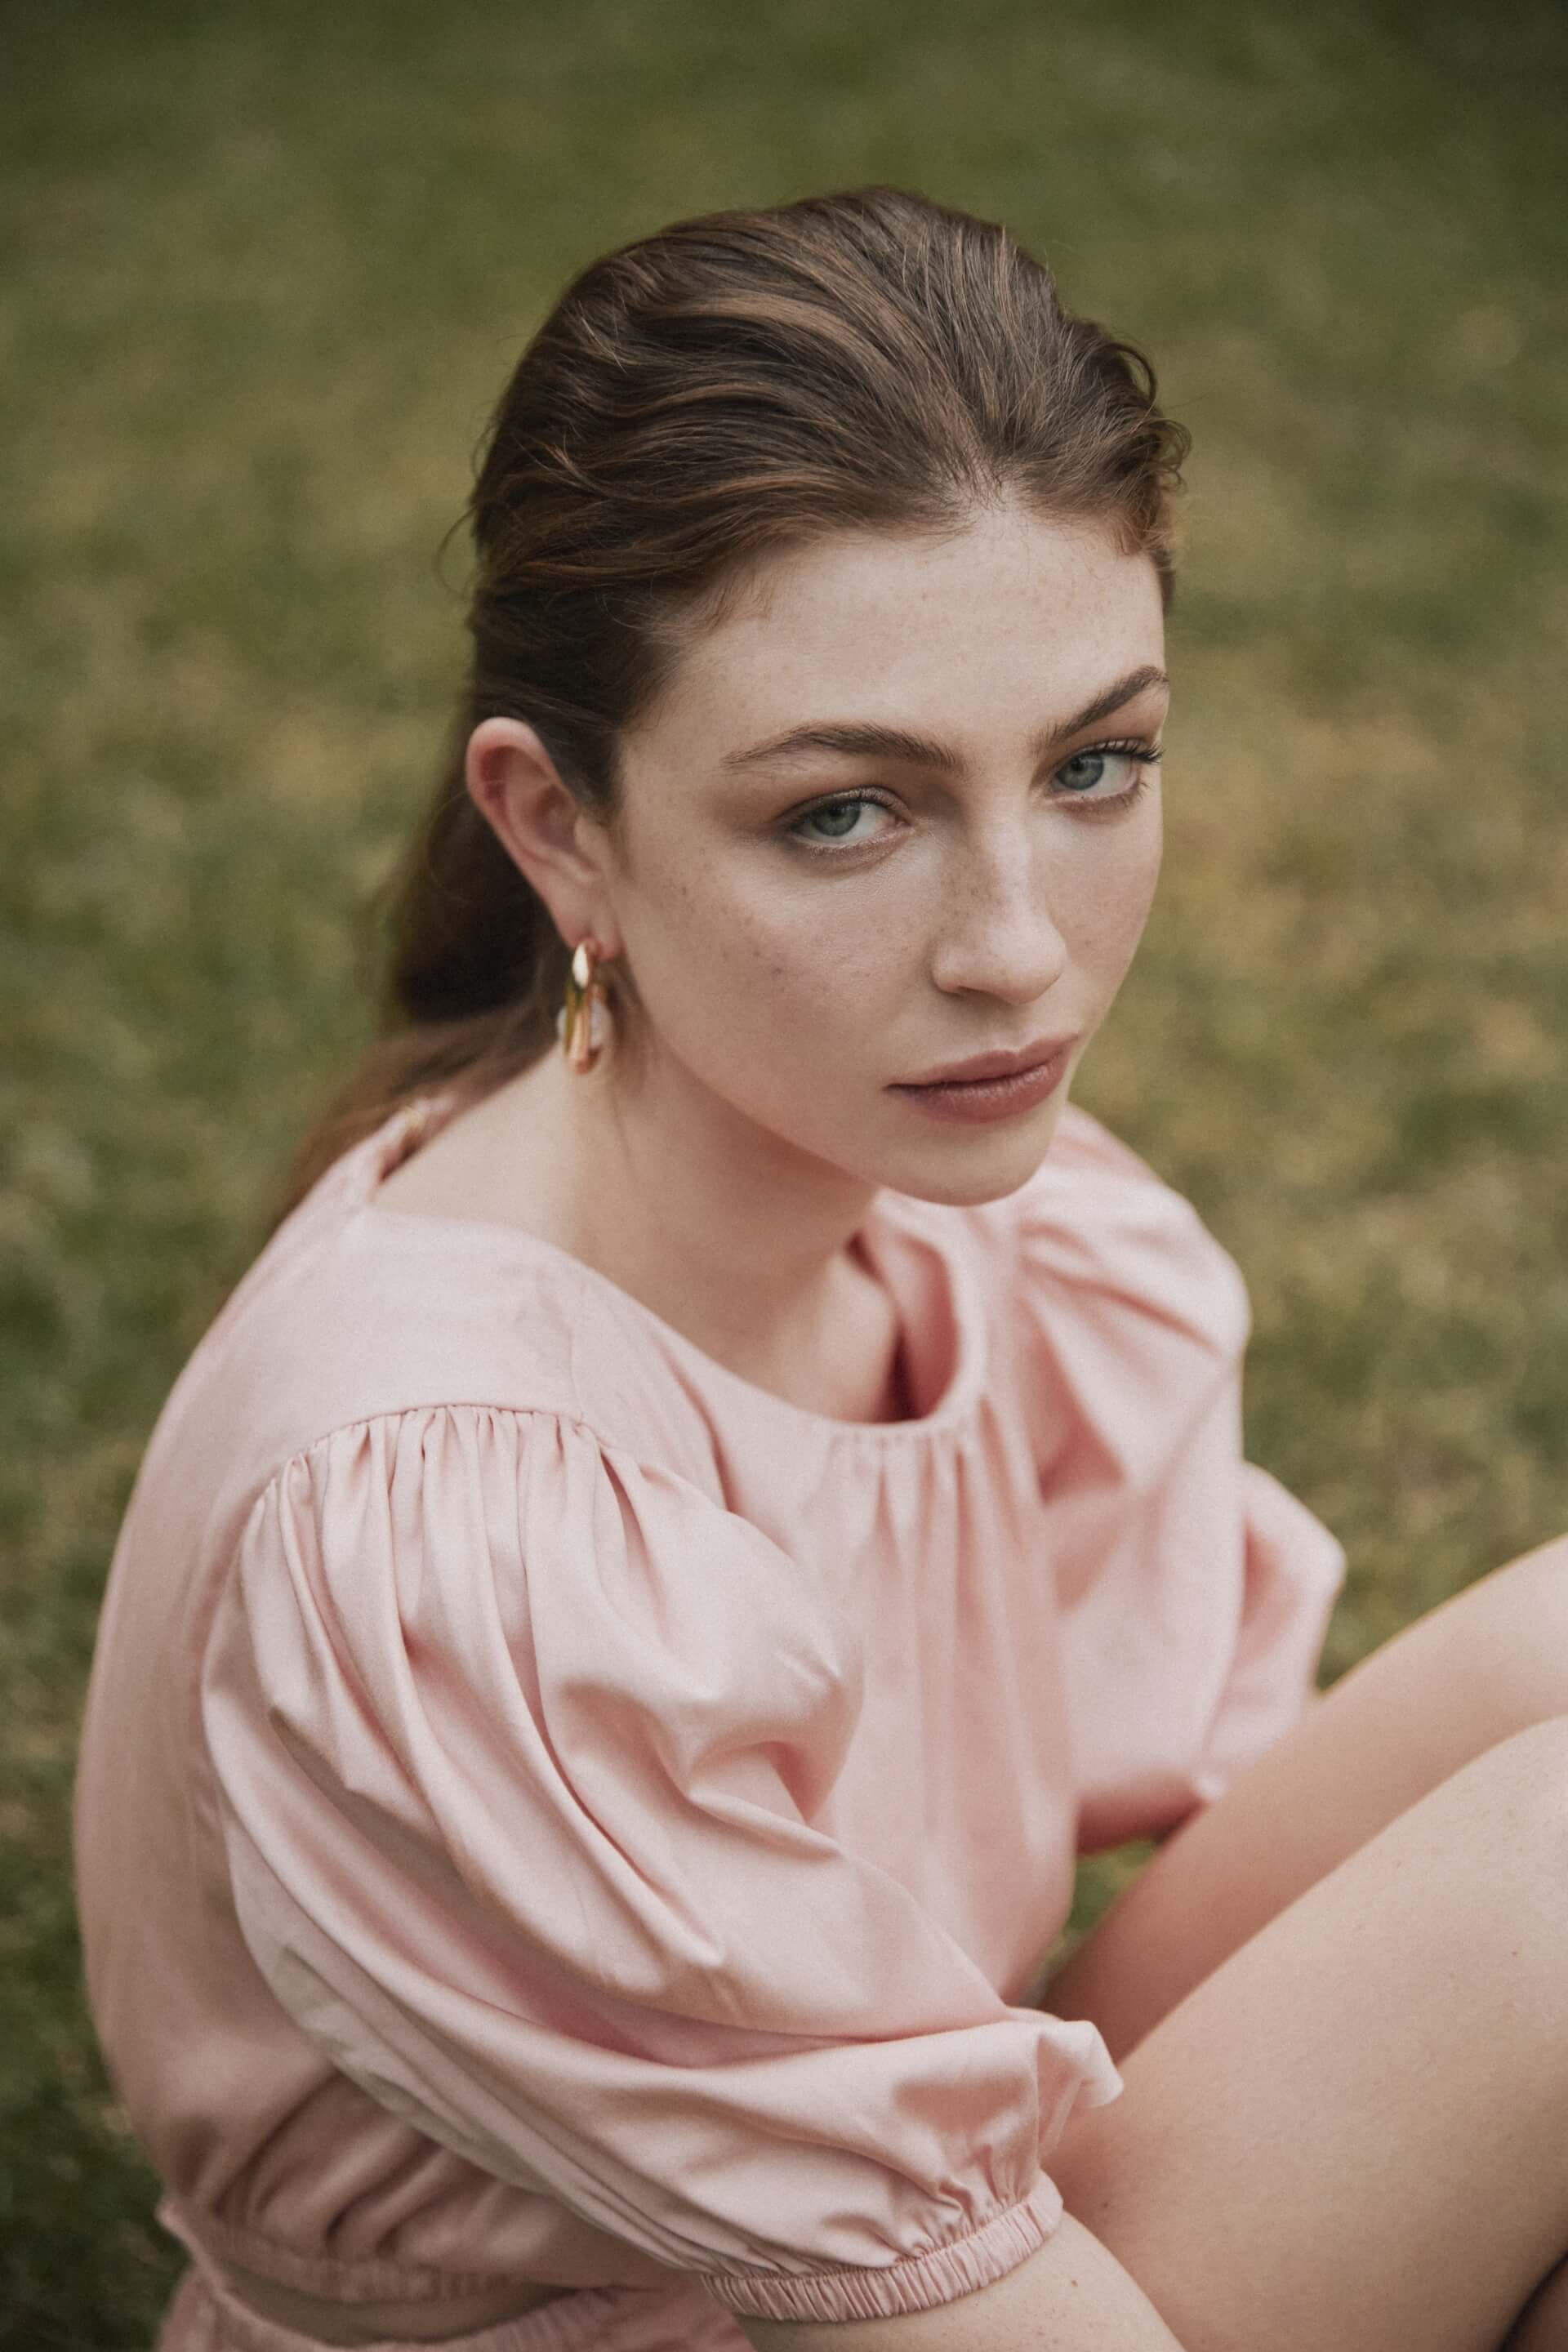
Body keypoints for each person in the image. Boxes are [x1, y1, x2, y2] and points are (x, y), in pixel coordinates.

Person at [73, 187, 1568, 2352]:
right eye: (846, 813)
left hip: (924, 2236)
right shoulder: (442, 1522)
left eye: (1096, 764)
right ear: (558, 826)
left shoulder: (997, 1235)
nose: (1020, 950)